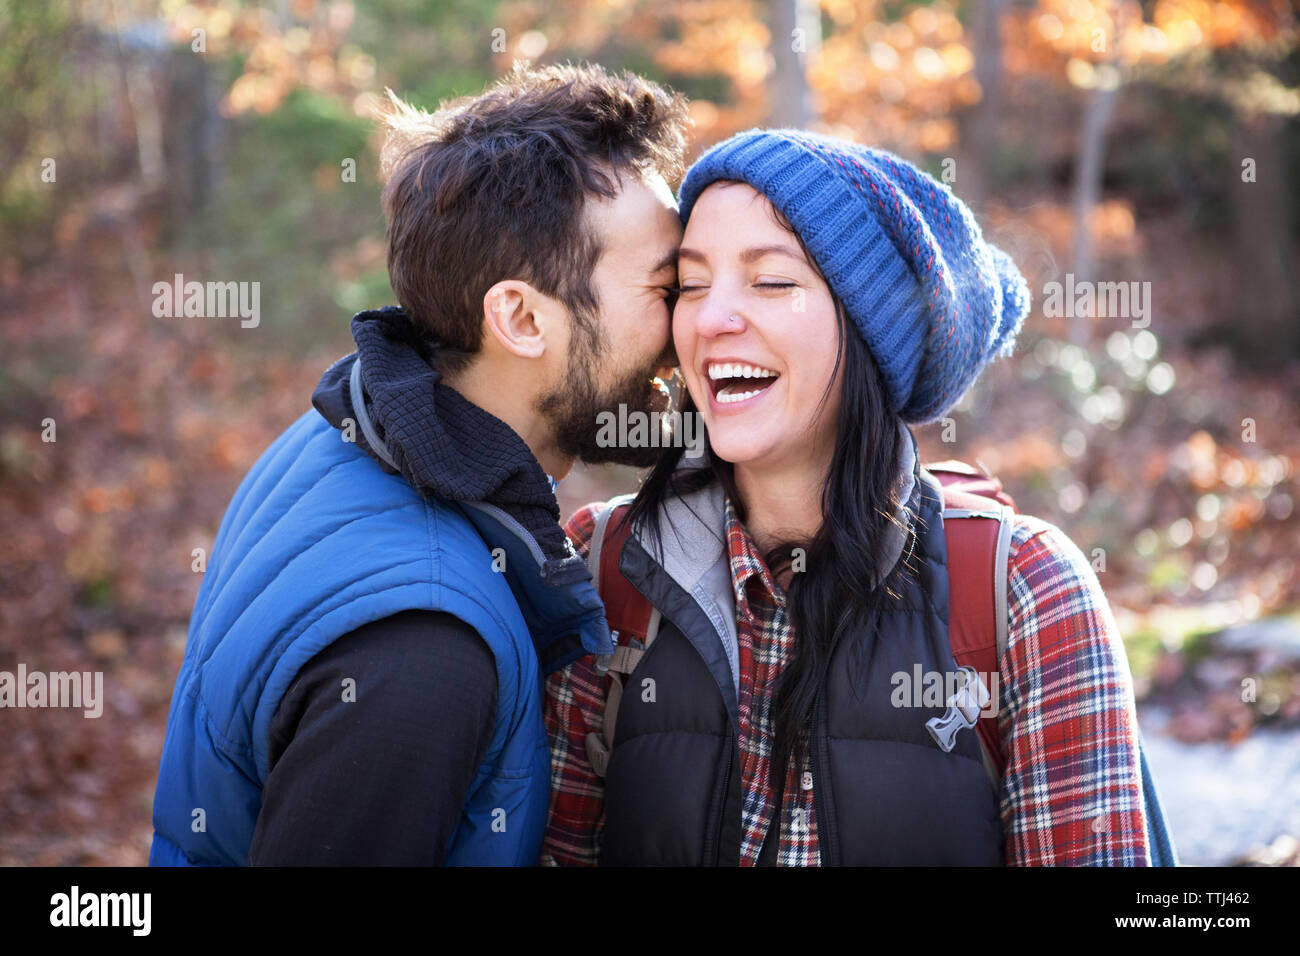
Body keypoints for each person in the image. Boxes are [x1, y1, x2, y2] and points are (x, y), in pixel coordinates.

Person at [543, 128, 1170, 865]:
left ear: (873, 332)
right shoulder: (605, 568)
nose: (711, 319)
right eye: (690, 284)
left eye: (772, 281)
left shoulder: (1025, 594)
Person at [149, 62, 690, 866]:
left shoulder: (345, 429)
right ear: (519, 317)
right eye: (668, 288)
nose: (692, 331)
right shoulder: (425, 654)